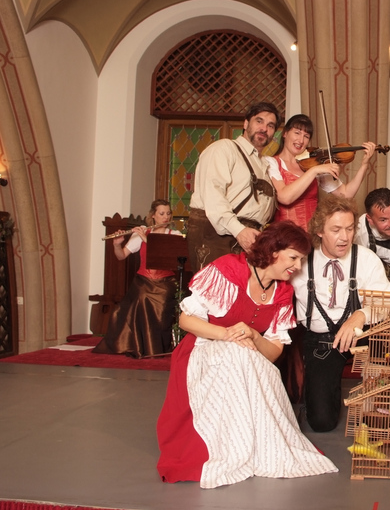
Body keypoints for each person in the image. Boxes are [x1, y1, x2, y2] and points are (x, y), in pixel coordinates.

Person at [156, 221, 337, 488]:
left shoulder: (283, 292)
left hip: (245, 356)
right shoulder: (229, 270)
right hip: (202, 349)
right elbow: (186, 321)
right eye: (294, 258)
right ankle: (225, 447)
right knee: (237, 354)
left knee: (249, 360)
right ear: (274, 251)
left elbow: (273, 352)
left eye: (301, 260)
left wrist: (252, 334)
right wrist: (228, 335)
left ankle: (252, 443)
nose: (298, 267)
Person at [292, 195, 390, 432]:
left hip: (362, 336)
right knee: (322, 422)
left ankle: (375, 402)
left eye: (349, 229)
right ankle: (323, 393)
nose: (345, 237)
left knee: (378, 419)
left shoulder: (366, 259)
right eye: (336, 229)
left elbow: (389, 304)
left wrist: (361, 315)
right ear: (319, 231)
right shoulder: (301, 260)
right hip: (321, 341)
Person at [187, 102, 280, 272]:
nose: (264, 128)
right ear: (246, 123)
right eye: (259, 121)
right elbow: (213, 197)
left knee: (243, 297)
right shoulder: (223, 149)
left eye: (270, 125)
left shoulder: (264, 164)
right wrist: (239, 231)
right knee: (215, 296)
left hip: (249, 238)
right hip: (216, 235)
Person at [93, 199, 181, 358]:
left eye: (168, 213)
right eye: (161, 214)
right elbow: (121, 256)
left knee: (151, 302)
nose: (165, 217)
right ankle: (134, 345)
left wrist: (147, 239)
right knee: (129, 305)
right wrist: (117, 244)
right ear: (153, 215)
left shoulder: (173, 235)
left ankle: (156, 347)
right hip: (143, 281)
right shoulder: (141, 233)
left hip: (165, 283)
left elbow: (165, 257)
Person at [267, 113, 377, 230]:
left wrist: (364, 165)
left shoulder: (312, 164)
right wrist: (314, 170)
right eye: (297, 133)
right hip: (284, 235)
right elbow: (285, 197)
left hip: (311, 235)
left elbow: (346, 194)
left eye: (306, 136)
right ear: (285, 133)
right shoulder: (271, 162)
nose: (301, 140)